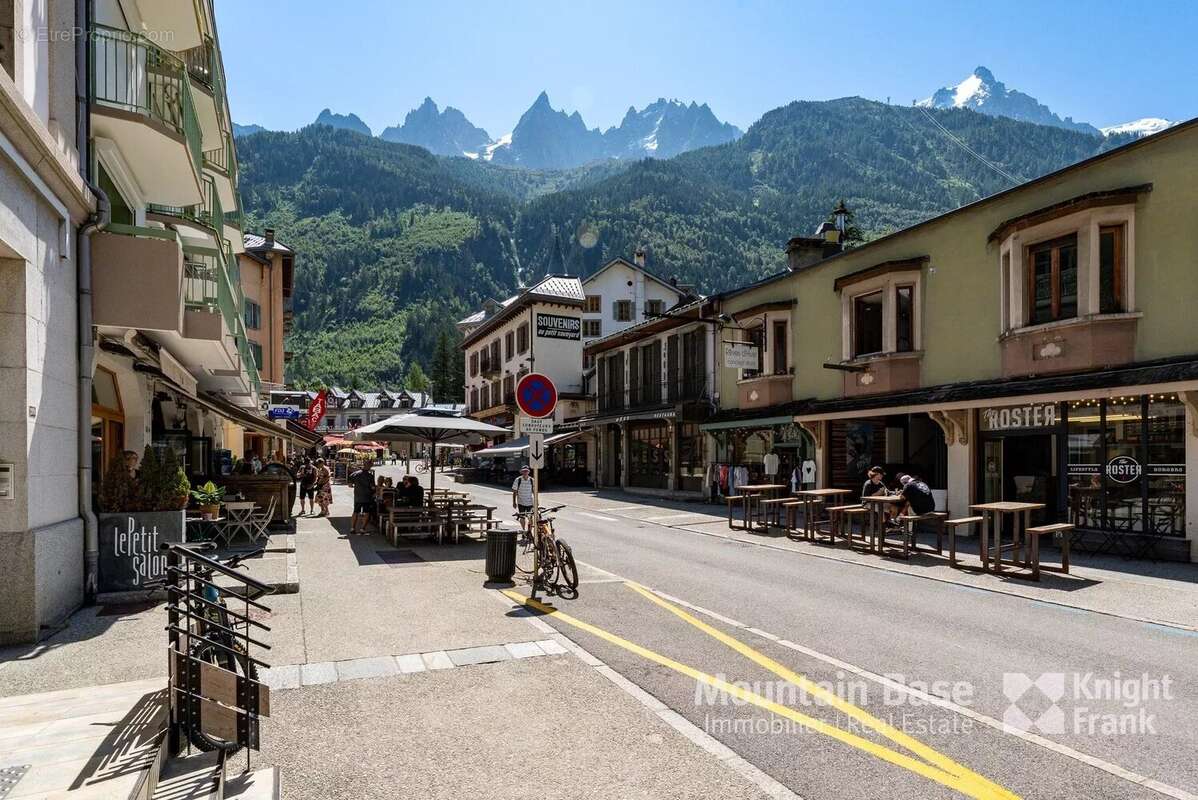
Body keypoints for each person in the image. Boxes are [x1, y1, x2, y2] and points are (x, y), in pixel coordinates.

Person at [349, 459, 377, 534]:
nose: (371, 467)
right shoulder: (370, 476)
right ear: (368, 466)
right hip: (367, 497)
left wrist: (356, 486)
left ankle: (352, 528)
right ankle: (362, 528)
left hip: (358, 496)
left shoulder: (355, 474)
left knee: (356, 512)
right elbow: (373, 487)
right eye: (370, 465)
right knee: (366, 512)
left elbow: (350, 484)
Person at [512, 465, 535, 531]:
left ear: (528, 472)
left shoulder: (531, 480)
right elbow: (514, 492)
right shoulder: (518, 480)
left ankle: (529, 531)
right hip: (521, 502)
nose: (525, 472)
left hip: (530, 502)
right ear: (521, 472)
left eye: (526, 471)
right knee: (522, 517)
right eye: (524, 471)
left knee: (530, 518)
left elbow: (534, 491)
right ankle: (524, 530)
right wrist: (514, 502)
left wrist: (536, 501)